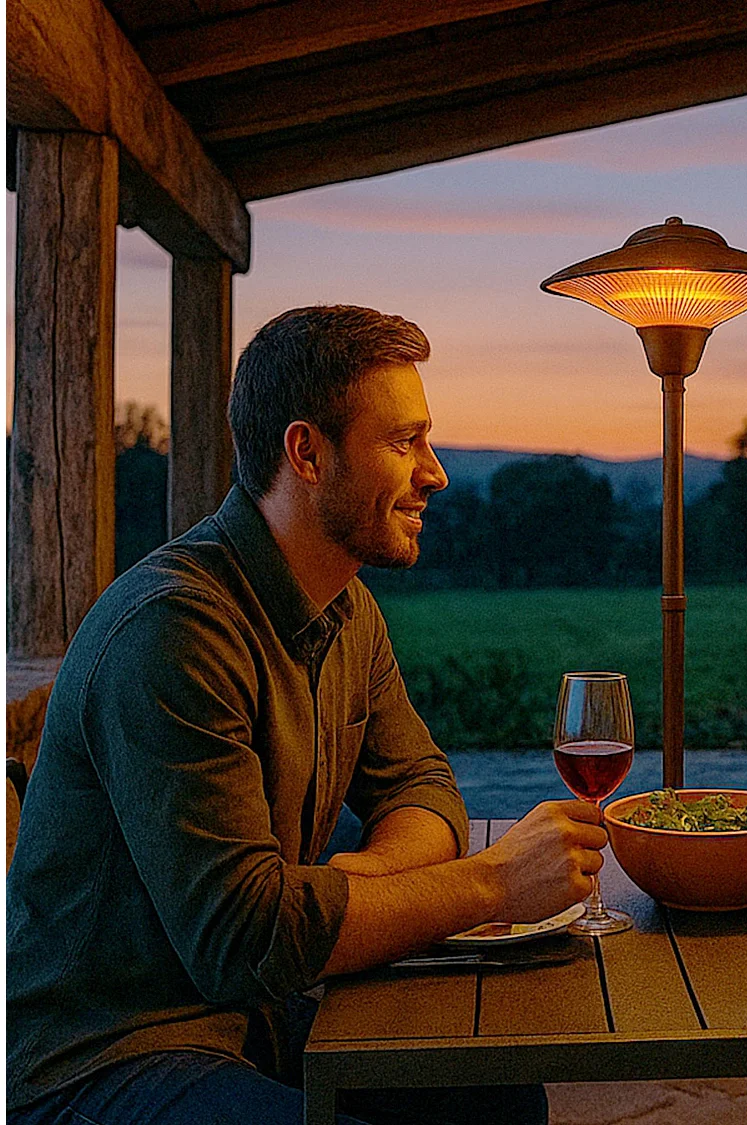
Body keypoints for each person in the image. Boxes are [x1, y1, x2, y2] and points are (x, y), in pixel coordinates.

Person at [7, 306, 607, 1125]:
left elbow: (425, 789)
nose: (433, 472)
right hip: (107, 1057)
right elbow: (243, 938)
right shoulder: (175, 630)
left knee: (494, 1100)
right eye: (403, 442)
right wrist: (493, 881)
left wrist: (348, 883)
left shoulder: (346, 608)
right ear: (307, 452)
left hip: (258, 1015)